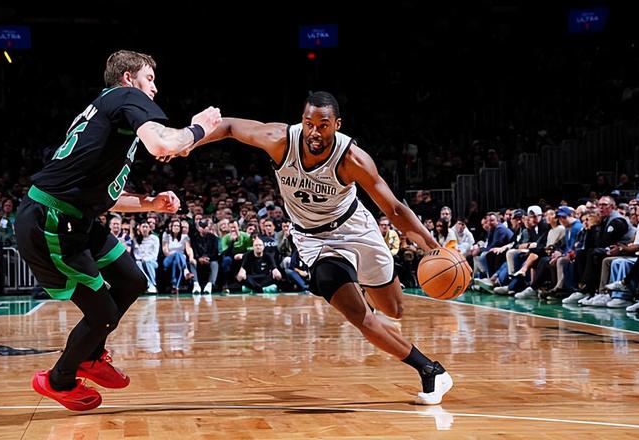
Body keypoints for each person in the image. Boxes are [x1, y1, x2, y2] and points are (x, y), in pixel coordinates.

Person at [173, 91, 466, 404]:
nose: (314, 132)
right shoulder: (280, 140)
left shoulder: (352, 159)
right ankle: (430, 370)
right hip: (314, 240)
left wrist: (433, 247)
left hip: (356, 230)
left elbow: (393, 209)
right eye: (308, 123)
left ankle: (364, 288)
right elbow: (229, 126)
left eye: (323, 125)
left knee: (394, 310)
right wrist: (188, 139)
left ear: (337, 125)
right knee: (359, 315)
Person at [14, 50, 221, 411]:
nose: (154, 88)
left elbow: (105, 197)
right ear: (128, 78)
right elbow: (162, 144)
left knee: (132, 280)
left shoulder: (109, 118)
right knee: (103, 314)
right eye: (149, 78)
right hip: (52, 221)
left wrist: (150, 203)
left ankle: (91, 356)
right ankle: (58, 379)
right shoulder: (125, 96)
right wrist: (199, 127)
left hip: (76, 218)